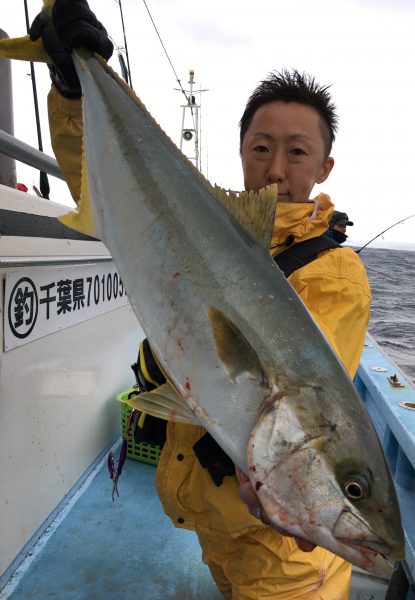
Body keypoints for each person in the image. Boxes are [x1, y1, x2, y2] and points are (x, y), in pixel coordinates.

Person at [24, 1, 372, 597]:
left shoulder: (336, 275)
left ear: (324, 164)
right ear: (241, 150)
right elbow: (100, 186)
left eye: (297, 151)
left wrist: (282, 489)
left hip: (287, 568)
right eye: (261, 147)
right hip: (213, 526)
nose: (276, 167)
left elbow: (311, 392)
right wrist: (71, 87)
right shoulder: (204, 222)